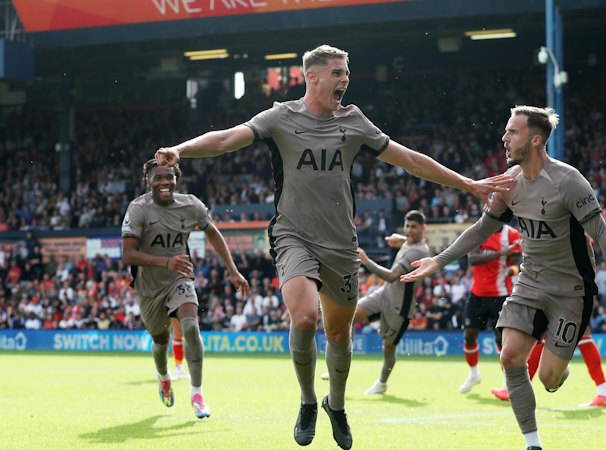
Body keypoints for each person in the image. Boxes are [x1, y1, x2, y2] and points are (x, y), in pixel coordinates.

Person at [154, 44, 510, 449]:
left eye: (346, 72)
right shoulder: (280, 116)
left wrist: (468, 183)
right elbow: (227, 138)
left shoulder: (354, 120)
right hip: (292, 235)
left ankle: (335, 405)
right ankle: (307, 401)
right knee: (305, 318)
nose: (345, 79)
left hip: (341, 243)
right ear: (313, 76)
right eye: (337, 73)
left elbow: (410, 159)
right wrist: (181, 149)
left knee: (339, 334)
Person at [402, 106, 606, 450]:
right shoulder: (509, 183)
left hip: (572, 290)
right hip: (530, 283)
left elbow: (604, 237)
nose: (505, 138)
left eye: (513, 132)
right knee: (509, 358)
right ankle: (532, 443)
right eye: (506, 131)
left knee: (550, 379)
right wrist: (439, 260)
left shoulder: (569, 181)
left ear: (536, 139)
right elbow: (481, 230)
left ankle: (559, 365)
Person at [122, 159, 250, 419]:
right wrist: (166, 261)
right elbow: (128, 254)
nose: (164, 182)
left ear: (176, 178)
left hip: (180, 277)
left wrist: (232, 270)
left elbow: (213, 232)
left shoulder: (191, 205)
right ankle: (164, 375)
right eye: (158, 178)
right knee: (161, 341)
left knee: (190, 326)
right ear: (148, 181)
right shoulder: (138, 209)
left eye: (169, 177)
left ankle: (197, 393)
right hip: (149, 285)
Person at [350, 210, 431, 395]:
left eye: (414, 227)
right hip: (383, 294)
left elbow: (391, 275)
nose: (409, 230)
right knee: (351, 315)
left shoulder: (418, 252)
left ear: (423, 229)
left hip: (400, 306)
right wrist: (400, 239)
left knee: (389, 347)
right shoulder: (410, 242)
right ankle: (342, 362)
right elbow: (408, 242)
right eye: (407, 226)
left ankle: (382, 382)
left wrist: (366, 261)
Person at [458, 224, 521, 394]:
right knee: (469, 335)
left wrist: (512, 270)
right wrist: (500, 253)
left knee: (501, 339)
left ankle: (507, 384)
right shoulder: (480, 230)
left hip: (500, 295)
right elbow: (473, 259)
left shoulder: (512, 234)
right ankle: (473, 374)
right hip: (477, 294)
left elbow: (517, 261)